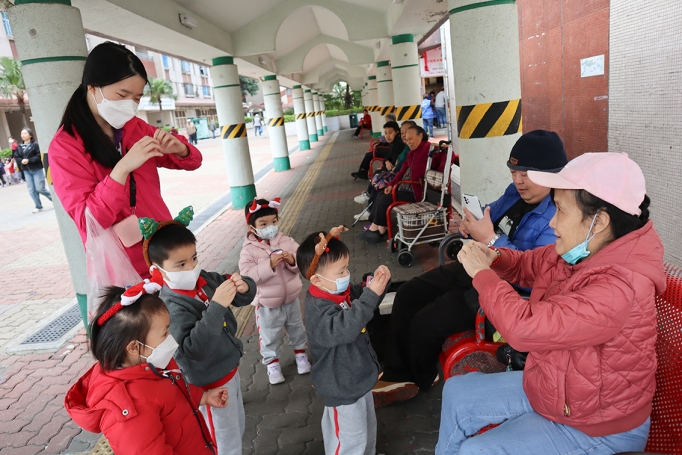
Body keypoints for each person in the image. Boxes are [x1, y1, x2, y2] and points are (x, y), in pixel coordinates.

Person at [436, 152, 665, 455]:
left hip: (597, 425)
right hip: (559, 388)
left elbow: (523, 328)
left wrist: (482, 274)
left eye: (561, 210)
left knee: (476, 451)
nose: (553, 221)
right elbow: (530, 263)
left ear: (599, 222)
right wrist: (495, 257)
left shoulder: (620, 286)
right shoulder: (583, 249)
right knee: (458, 392)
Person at [374, 130, 568, 407]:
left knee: (425, 322)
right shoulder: (515, 193)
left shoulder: (560, 213)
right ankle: (397, 374)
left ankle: (420, 378)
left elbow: (537, 275)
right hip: (476, 267)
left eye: (526, 174)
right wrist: (470, 226)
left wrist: (490, 239)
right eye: (514, 172)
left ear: (552, 174)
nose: (517, 180)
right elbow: (489, 213)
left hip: (504, 291)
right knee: (408, 293)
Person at [49, 42, 202, 279]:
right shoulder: (65, 147)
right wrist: (121, 169)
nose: (130, 104)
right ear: (92, 87)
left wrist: (181, 149)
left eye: (137, 98)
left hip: (163, 250)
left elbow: (193, 162)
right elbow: (89, 222)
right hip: (122, 266)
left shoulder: (136, 127)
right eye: (122, 95)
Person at [65, 282, 227, 455]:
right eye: (165, 333)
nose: (170, 337)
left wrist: (203, 397)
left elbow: (172, 393)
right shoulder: (132, 409)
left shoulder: (152, 363)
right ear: (134, 347)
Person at [143, 210, 256, 455]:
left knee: (236, 428)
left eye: (194, 258)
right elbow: (192, 349)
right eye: (181, 264)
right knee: (223, 442)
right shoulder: (170, 306)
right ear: (158, 270)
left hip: (229, 370)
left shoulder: (205, 279)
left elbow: (241, 295)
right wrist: (217, 306)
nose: (192, 267)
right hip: (209, 385)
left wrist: (244, 286)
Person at [297, 226, 391, 455]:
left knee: (367, 429)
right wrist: (371, 295)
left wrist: (375, 283)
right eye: (341, 271)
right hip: (341, 387)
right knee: (349, 440)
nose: (346, 275)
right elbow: (347, 326)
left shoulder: (337, 292)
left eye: (347, 268)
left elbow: (362, 298)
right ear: (317, 280)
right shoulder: (318, 310)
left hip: (358, 380)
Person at [238, 197, 311, 385]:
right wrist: (268, 265)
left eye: (274, 222)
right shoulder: (248, 251)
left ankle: (301, 355)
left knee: (297, 328)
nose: (270, 227)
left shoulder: (287, 241)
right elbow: (247, 277)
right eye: (263, 224)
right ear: (252, 227)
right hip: (266, 303)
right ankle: (272, 364)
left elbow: (302, 262)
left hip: (291, 299)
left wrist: (292, 260)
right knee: (269, 335)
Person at [356, 125, 430, 243]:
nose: (408, 142)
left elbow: (447, 157)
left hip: (416, 191)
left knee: (385, 199)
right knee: (382, 194)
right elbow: (401, 171)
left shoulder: (428, 149)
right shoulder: (412, 152)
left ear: (420, 136)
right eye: (406, 139)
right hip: (407, 187)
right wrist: (391, 184)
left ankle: (379, 230)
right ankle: (378, 228)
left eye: (410, 139)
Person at [353, 121, 407, 220]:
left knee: (380, 183)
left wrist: (386, 167)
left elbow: (396, 166)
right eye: (386, 133)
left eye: (390, 133)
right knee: (378, 176)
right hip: (396, 175)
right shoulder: (396, 144)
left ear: (397, 132)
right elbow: (388, 157)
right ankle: (369, 207)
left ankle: (370, 210)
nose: (387, 136)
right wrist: (386, 162)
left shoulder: (401, 145)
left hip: (400, 179)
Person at [16, 128, 52, 213]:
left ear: (30, 135)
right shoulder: (19, 146)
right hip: (26, 170)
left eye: (25, 133)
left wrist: (29, 160)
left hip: (37, 169)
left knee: (40, 188)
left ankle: (54, 199)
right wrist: (21, 161)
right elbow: (17, 157)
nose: (23, 135)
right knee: (31, 190)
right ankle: (38, 206)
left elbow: (39, 155)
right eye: (22, 133)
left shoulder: (35, 145)